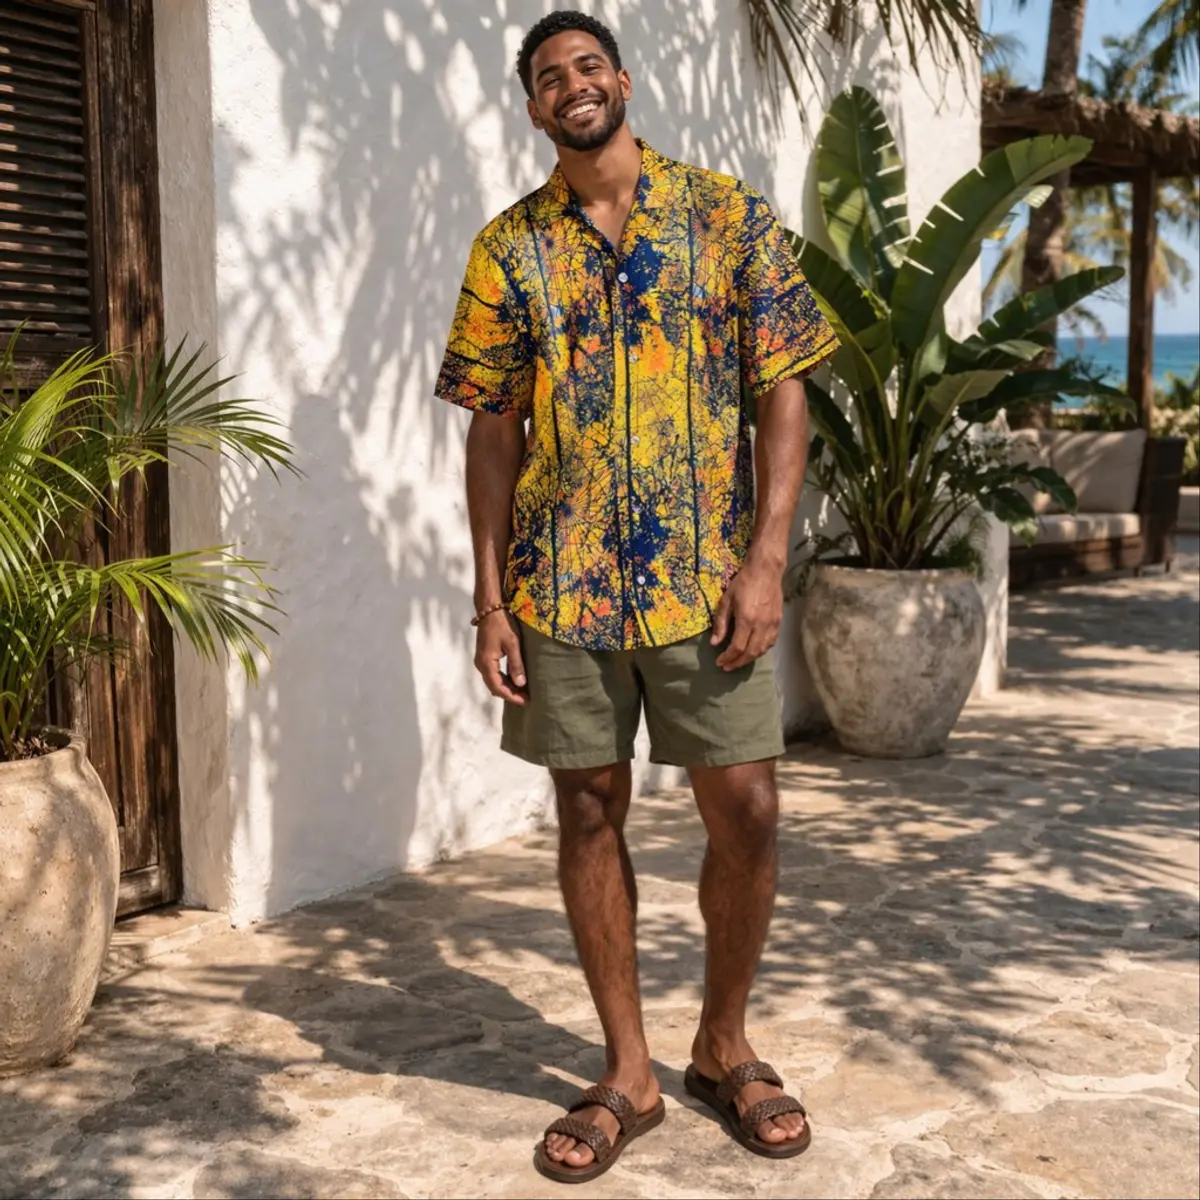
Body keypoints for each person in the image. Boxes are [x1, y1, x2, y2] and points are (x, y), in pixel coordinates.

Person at [435, 9, 838, 1185]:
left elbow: (786, 399)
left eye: (588, 66)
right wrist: (490, 597)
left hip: (708, 582)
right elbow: (491, 432)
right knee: (589, 813)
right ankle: (630, 1071)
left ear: (622, 80)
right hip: (562, 587)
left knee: (748, 809)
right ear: (532, 108)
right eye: (549, 77)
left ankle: (725, 1042)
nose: (573, 86)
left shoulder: (726, 218)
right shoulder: (508, 251)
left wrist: (766, 560)